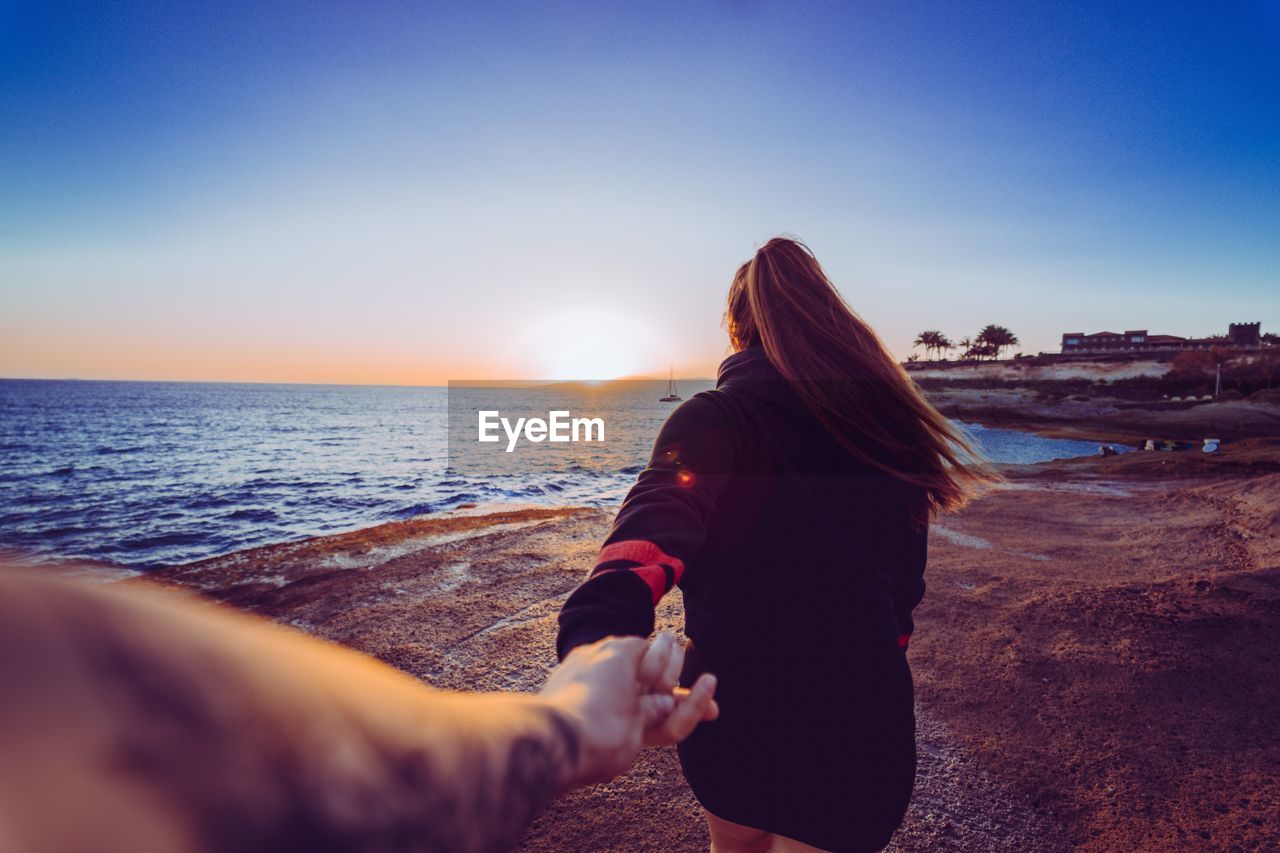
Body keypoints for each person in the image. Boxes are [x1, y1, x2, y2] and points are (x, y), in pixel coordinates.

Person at [557, 237, 997, 852]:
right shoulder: (888, 428)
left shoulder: (716, 417)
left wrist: (596, 642)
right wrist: (881, 653)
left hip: (731, 707)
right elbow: (905, 588)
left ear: (738, 329)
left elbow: (654, 528)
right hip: (859, 714)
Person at [0, 566, 718, 852]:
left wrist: (579, 694)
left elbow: (638, 546)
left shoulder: (707, 421)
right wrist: (568, 725)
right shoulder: (835, 422)